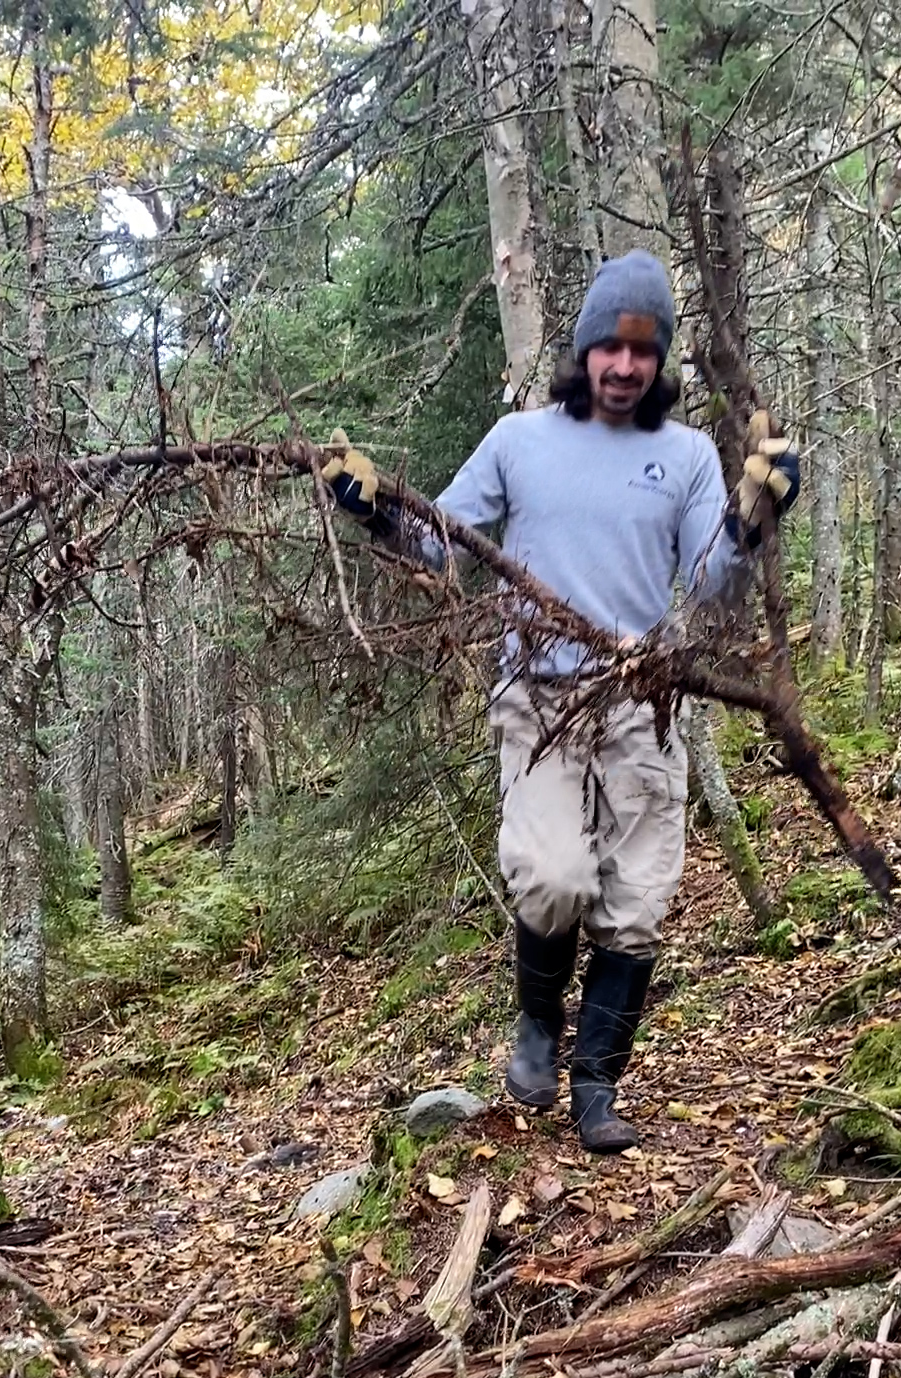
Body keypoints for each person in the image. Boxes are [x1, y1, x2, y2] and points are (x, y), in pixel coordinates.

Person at [324, 251, 799, 1152]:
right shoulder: (519, 441)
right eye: (609, 350)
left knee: (639, 901)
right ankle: (538, 1026)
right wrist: (376, 509)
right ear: (582, 351)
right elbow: (438, 548)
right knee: (551, 878)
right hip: (537, 701)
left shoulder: (688, 454)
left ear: (660, 360)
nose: (624, 368)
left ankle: (596, 1088)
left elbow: (709, 593)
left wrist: (749, 519)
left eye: (644, 353)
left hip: (643, 703)